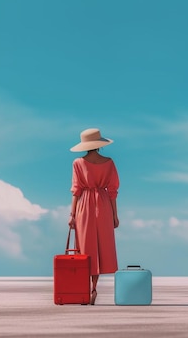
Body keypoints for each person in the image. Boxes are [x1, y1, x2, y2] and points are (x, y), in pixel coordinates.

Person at [68, 128, 120, 305]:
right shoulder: (109, 163)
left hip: (84, 205)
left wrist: (72, 214)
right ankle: (94, 287)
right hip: (104, 205)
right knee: (101, 246)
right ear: (99, 145)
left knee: (85, 247)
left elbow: (76, 191)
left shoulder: (78, 163)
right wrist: (115, 215)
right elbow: (113, 191)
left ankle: (85, 289)